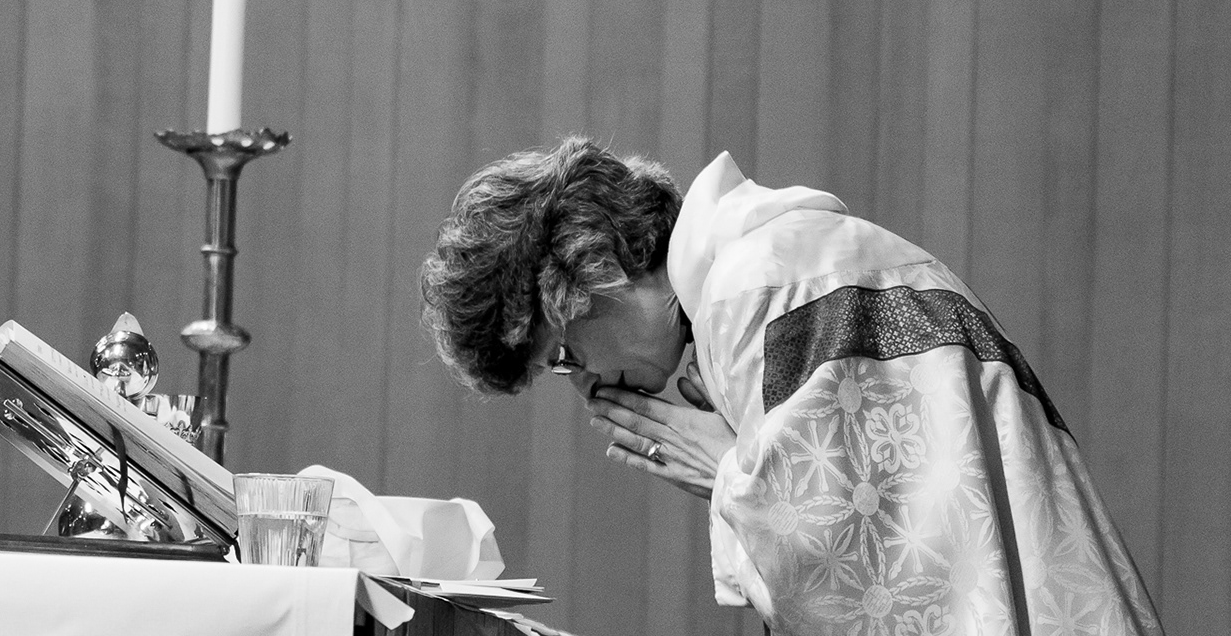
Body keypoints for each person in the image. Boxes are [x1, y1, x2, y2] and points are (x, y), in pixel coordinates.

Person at [419, 136, 1163, 635]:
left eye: (562, 356)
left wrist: (736, 480)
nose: (585, 388)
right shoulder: (776, 264)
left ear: (591, 272)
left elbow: (885, 581)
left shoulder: (762, 289)